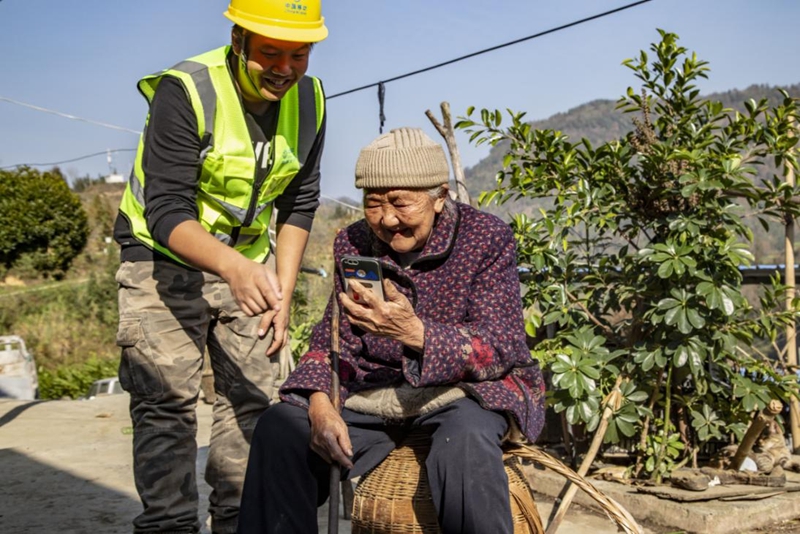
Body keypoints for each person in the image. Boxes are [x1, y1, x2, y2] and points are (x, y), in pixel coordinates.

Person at [237, 127, 546, 534]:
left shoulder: (486, 237)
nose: (387, 219)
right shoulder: (354, 241)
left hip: (466, 391)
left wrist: (415, 333)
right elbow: (332, 337)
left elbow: (501, 345)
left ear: (439, 197)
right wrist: (319, 403)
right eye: (373, 203)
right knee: (281, 429)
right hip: (377, 393)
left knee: (465, 438)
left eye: (401, 203)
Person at [112, 1, 328, 532]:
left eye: (298, 54)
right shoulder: (185, 90)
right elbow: (166, 211)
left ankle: (239, 521)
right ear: (239, 42)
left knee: (255, 401)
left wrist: (282, 289)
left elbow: (299, 203)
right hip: (161, 261)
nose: (284, 68)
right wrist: (232, 268)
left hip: (250, 266)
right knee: (167, 406)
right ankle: (170, 525)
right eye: (270, 53)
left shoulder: (312, 99)